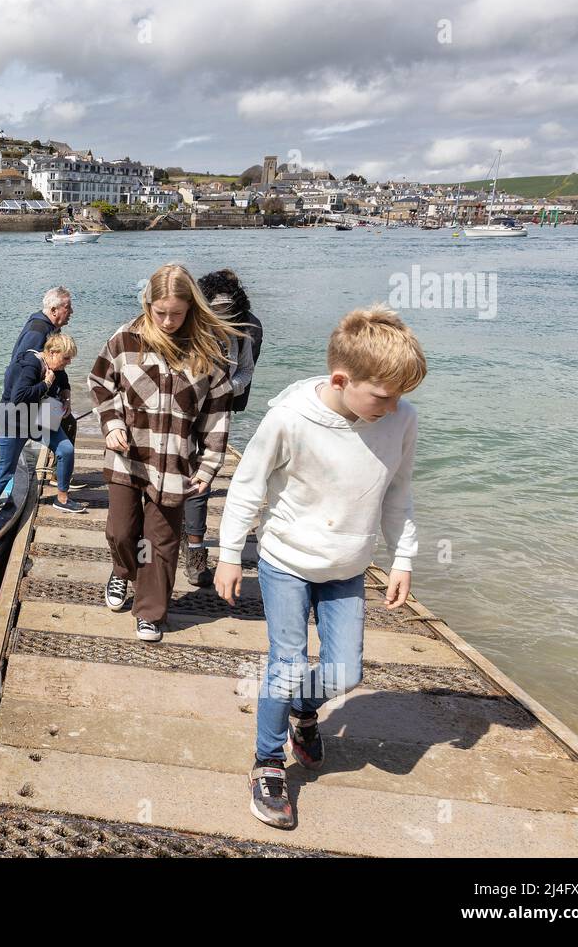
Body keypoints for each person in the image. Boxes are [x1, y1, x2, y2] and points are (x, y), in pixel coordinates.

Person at [213, 305, 425, 831]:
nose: (392, 405)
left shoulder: (401, 420)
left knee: (346, 672)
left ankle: (302, 713)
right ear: (341, 379)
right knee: (285, 663)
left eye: (400, 396)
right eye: (382, 395)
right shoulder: (290, 418)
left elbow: (398, 493)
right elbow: (248, 484)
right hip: (286, 560)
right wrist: (226, 552)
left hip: (348, 566)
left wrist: (403, 558)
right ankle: (266, 763)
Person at [89, 264, 238, 642]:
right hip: (127, 455)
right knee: (122, 532)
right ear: (148, 303)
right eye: (161, 312)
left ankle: (151, 611)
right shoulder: (125, 338)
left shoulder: (210, 351)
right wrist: (112, 424)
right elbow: (100, 383)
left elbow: (217, 415)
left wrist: (208, 467)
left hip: (175, 464)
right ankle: (123, 571)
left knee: (160, 541)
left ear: (191, 307)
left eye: (177, 312)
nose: (168, 321)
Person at [182, 269, 264, 588]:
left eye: (228, 315)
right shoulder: (188, 327)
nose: (222, 321)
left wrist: (228, 389)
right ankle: (176, 535)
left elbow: (246, 370)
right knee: (178, 474)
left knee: (201, 481)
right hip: (180, 413)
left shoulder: (245, 329)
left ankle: (194, 552)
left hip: (218, 413)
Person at [0, 332, 84, 524]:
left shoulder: (55, 365)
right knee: (6, 470)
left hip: (38, 420)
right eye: (66, 358)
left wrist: (66, 394)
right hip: (14, 421)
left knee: (66, 450)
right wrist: (46, 383)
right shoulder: (30, 366)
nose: (68, 362)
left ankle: (62, 498)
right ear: (52, 352)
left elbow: (63, 378)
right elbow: (19, 396)